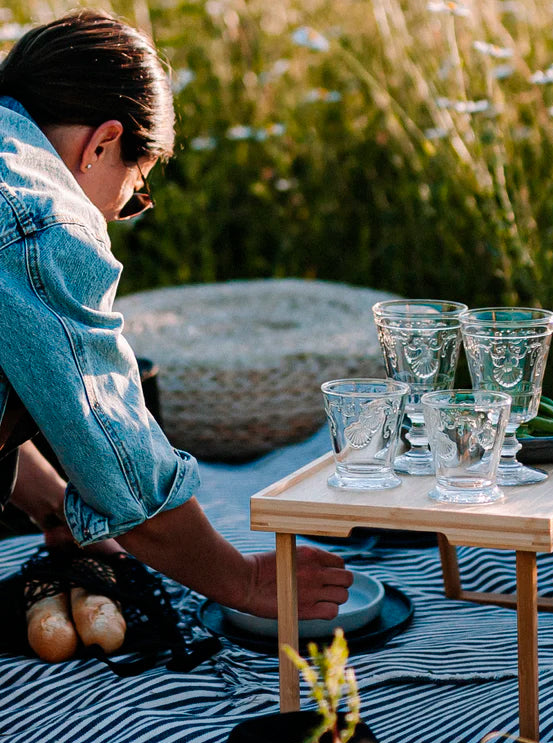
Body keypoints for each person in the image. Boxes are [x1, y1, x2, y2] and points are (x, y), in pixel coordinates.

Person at [0, 10, 352, 624]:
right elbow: (121, 461)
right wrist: (242, 580)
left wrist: (56, 508)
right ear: (103, 143)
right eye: (134, 190)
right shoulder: (43, 221)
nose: (120, 211)